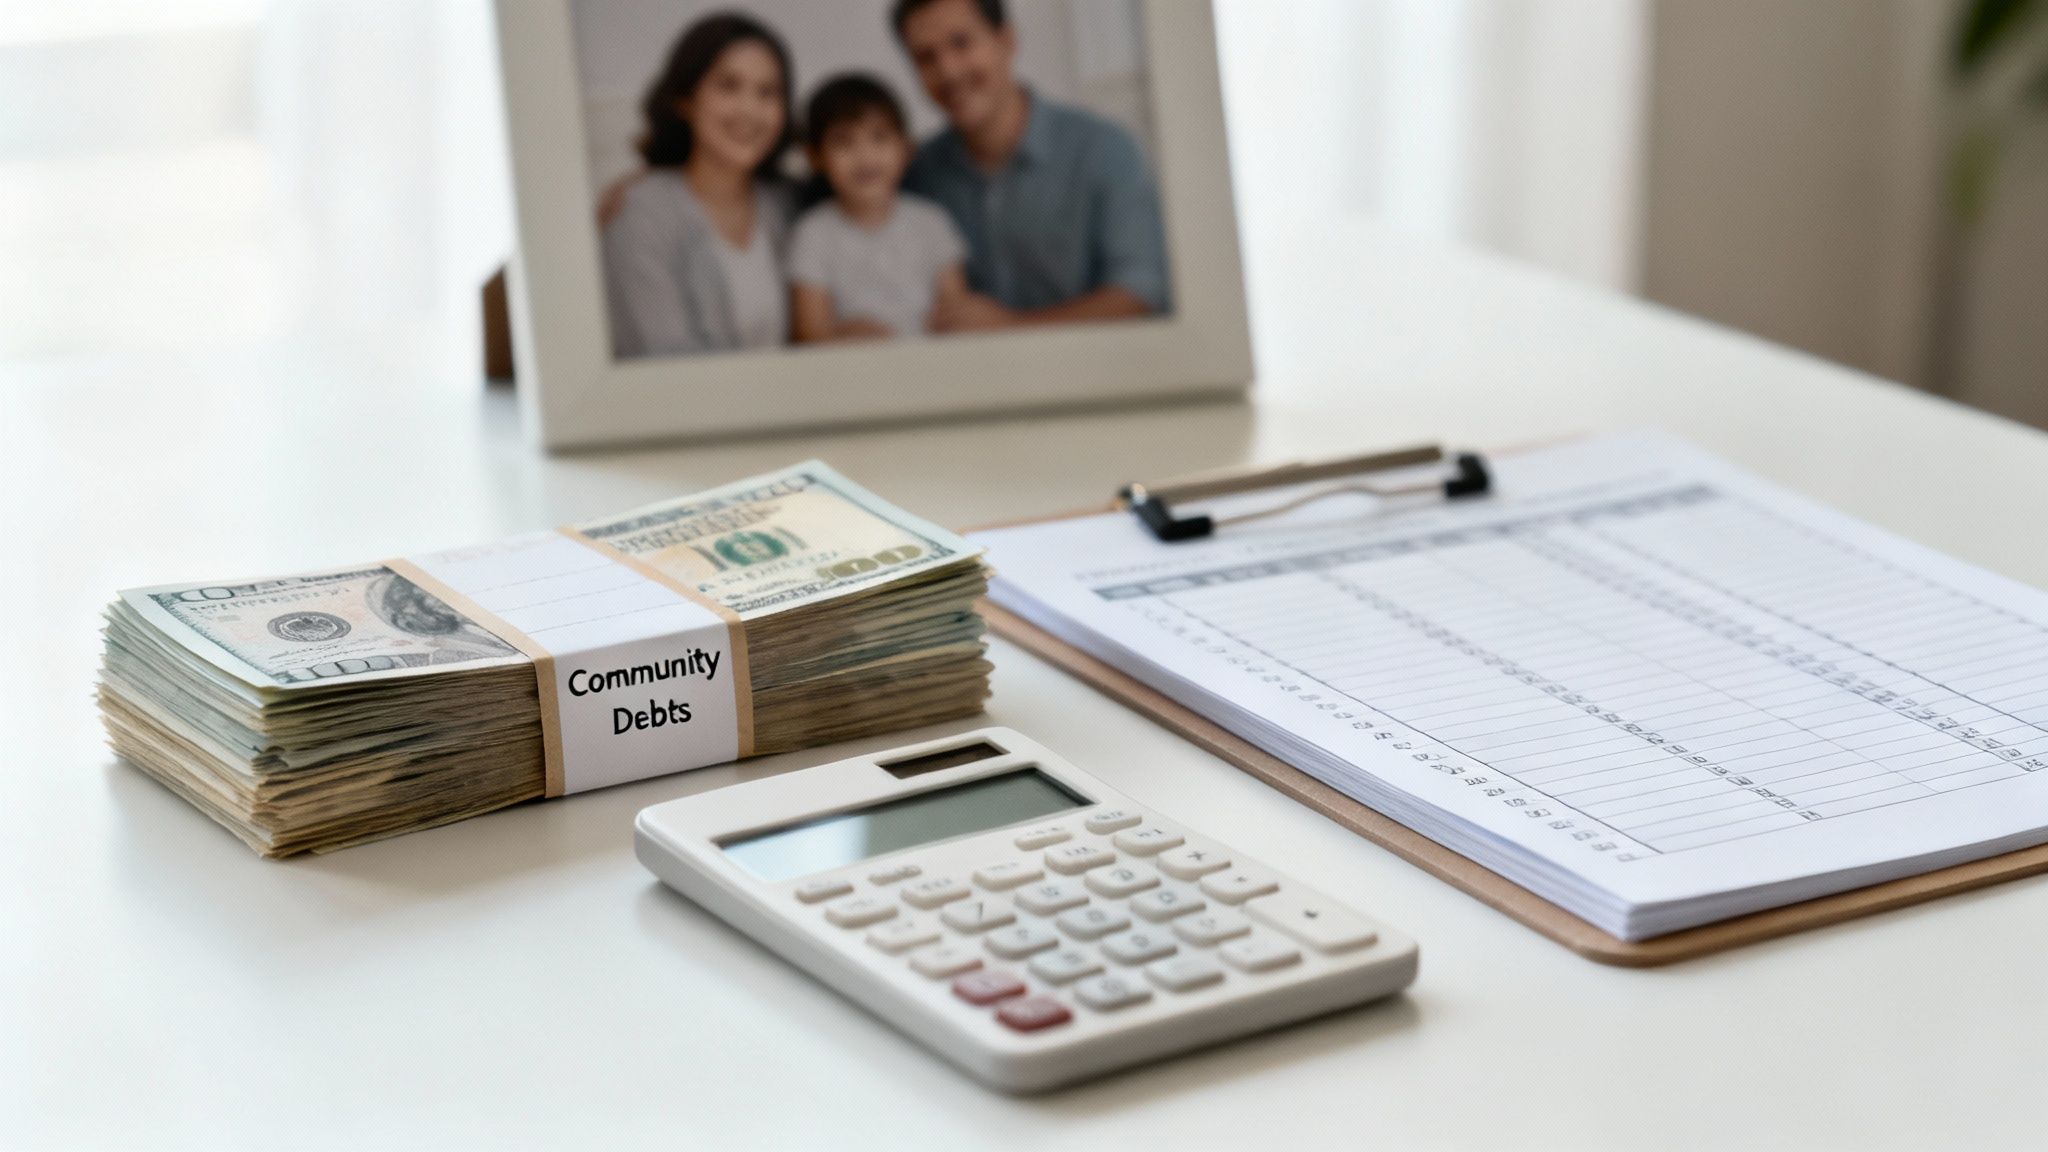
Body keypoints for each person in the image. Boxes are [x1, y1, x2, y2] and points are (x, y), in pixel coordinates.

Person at [891, 0, 1170, 333]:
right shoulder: (917, 173)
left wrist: (1013, 327)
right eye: (926, 58)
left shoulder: (1104, 149)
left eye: (961, 43)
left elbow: (1141, 290)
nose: (948, 71)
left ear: (1006, 40)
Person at [601, 14, 798, 359]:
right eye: (728, 86)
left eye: (767, 92)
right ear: (685, 100)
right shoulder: (640, 213)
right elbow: (661, 361)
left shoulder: (788, 204)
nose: (749, 110)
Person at [787, 75, 970, 343]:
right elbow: (810, 334)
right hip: (850, 375)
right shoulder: (812, 234)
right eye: (844, 142)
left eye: (879, 137)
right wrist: (840, 338)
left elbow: (957, 315)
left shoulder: (932, 222)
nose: (864, 156)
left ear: (906, 149)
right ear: (815, 157)